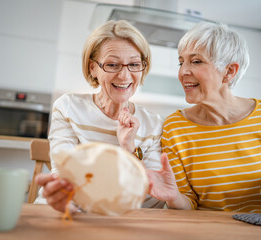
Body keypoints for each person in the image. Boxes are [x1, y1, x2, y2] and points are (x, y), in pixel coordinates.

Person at [147, 22, 261, 213]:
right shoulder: (175, 127)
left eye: (196, 61)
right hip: (203, 231)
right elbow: (188, 203)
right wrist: (173, 197)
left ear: (229, 71)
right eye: (181, 62)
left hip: (258, 228)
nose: (183, 72)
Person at [34, 20, 164, 213]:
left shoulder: (153, 124)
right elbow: (63, 176)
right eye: (112, 64)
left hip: (124, 225)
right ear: (92, 68)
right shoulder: (68, 107)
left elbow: (151, 200)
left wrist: (129, 149)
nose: (125, 76)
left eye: (134, 64)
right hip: (65, 213)